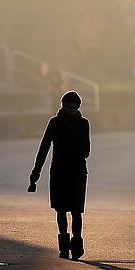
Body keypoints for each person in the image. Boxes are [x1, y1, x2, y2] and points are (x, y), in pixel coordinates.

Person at [30, 91, 91, 260]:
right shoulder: (55, 123)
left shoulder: (83, 124)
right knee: (61, 210)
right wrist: (36, 173)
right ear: (62, 105)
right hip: (61, 171)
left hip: (76, 171)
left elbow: (87, 150)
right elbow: (44, 148)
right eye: (69, 107)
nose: (72, 110)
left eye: (75, 107)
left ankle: (76, 242)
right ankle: (64, 245)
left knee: (77, 211)